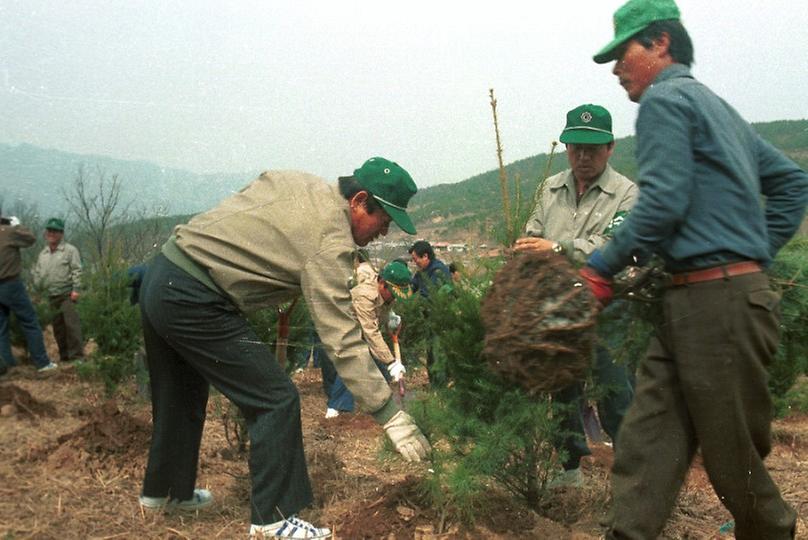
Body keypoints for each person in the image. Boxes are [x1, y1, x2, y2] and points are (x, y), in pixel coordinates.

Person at [579, 1, 808, 537]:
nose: (616, 69)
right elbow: (793, 182)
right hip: (693, 302)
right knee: (647, 442)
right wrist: (752, 256)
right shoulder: (716, 107)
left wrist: (601, 268)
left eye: (623, 53)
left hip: (715, 307)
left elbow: (662, 203)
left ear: (661, 43)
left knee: (732, 462)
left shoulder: (664, 100)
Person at [137, 157, 430, 539]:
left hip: (163, 275)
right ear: (359, 201)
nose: (383, 232)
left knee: (181, 395)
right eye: (384, 221)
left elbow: (262, 187)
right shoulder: (331, 240)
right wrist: (388, 413)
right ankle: (272, 522)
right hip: (195, 296)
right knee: (276, 399)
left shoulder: (302, 183)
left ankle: (163, 495)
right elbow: (341, 336)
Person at [515, 103, 638, 488]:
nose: (583, 156)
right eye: (576, 148)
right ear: (567, 148)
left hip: (608, 307)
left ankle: (634, 472)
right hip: (557, 305)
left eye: (593, 149)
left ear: (610, 148)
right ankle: (569, 467)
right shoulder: (550, 188)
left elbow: (614, 245)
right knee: (560, 387)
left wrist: (556, 248)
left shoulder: (626, 194)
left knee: (615, 390)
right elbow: (531, 231)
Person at [322, 259, 411, 418]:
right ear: (383, 284)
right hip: (342, 329)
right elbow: (371, 333)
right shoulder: (365, 296)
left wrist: (390, 317)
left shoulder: (386, 294)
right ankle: (335, 410)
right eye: (393, 293)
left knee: (380, 371)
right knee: (354, 362)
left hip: (360, 331)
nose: (395, 298)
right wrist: (391, 362)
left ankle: (379, 402)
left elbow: (380, 314)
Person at [0, 213, 57, 373]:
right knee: (30, 321)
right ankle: (42, 363)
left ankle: (5, 365)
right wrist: (16, 225)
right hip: (10, 284)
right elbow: (30, 239)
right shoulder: (8, 232)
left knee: (1, 328)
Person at [32, 218, 84, 362]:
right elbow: (38, 274)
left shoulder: (70, 251)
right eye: (49, 231)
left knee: (72, 326)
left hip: (67, 294)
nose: (51, 234)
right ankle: (65, 356)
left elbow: (77, 271)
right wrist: (37, 292)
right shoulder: (43, 254)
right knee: (58, 329)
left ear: (61, 233)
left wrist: (76, 289)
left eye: (55, 231)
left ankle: (77, 357)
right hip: (50, 295)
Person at [408, 240, 451, 387]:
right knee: (431, 353)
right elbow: (412, 286)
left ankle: (441, 388)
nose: (415, 263)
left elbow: (430, 295)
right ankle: (435, 385)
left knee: (438, 353)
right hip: (429, 319)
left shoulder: (438, 271)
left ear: (425, 256)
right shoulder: (422, 272)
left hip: (440, 319)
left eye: (416, 259)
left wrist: (416, 299)